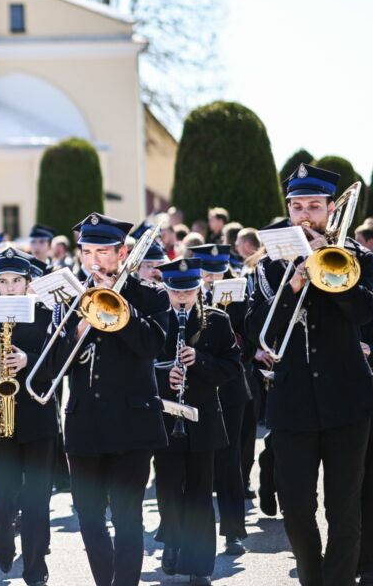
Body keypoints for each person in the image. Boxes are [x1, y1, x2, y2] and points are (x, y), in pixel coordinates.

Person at [245, 163, 373, 586]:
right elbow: (259, 331)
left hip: (348, 401)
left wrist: (331, 270)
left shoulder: (357, 256)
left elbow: (365, 313)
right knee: (297, 508)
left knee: (344, 508)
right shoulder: (266, 267)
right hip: (292, 403)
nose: (304, 215)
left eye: (314, 207)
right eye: (296, 206)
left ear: (331, 209)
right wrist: (297, 281)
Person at [58, 213, 169, 586]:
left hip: (132, 424)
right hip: (84, 423)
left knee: (127, 518)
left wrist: (117, 307)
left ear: (122, 252)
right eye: (86, 252)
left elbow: (153, 345)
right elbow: (50, 365)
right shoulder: (69, 298)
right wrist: (76, 331)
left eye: (102, 252)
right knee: (89, 519)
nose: (92, 261)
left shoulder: (151, 294)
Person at [152, 258, 242, 586]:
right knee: (168, 489)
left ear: (199, 287)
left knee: (201, 493)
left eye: (189, 290)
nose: (183, 298)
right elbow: (140, 366)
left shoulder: (217, 320)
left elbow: (233, 366)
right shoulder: (157, 320)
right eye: (176, 291)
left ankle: (199, 566)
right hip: (165, 418)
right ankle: (173, 541)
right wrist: (166, 375)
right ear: (167, 288)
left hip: (203, 418)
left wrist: (199, 360)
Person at [0, 248, 56, 585]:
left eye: (16, 281)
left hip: (38, 415)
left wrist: (30, 359)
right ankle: (3, 537)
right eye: (3, 282)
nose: (9, 288)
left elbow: (61, 360)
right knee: (2, 494)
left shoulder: (45, 314)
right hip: (0, 414)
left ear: (29, 283)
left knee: (37, 497)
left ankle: (35, 567)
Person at [190, 243, 253, 556]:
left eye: (217, 271)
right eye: (206, 272)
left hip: (228, 389)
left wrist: (226, 319)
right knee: (191, 463)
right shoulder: (185, 295)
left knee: (229, 461)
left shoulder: (242, 295)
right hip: (196, 390)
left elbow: (249, 341)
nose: (212, 277)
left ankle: (233, 531)